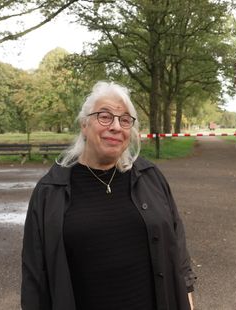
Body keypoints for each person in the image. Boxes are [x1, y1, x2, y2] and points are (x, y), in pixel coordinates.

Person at [21, 81, 196, 310]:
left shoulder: (150, 178)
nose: (115, 126)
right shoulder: (49, 192)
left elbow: (177, 245)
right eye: (105, 116)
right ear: (84, 124)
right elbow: (35, 277)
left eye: (124, 120)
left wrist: (188, 297)